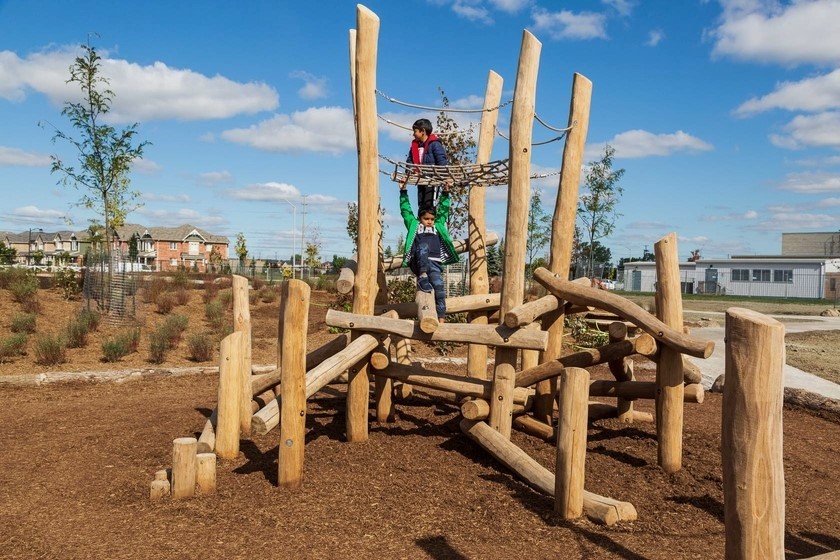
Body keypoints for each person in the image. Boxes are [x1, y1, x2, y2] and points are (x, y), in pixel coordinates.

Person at [399, 182, 459, 322]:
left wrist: (445, 192)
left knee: (439, 288)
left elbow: (444, 210)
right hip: (419, 262)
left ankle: (441, 317)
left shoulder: (438, 226)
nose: (429, 221)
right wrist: (403, 191)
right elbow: (406, 211)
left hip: (435, 264)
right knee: (423, 246)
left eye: (432, 219)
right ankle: (423, 276)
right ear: (420, 218)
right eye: (426, 219)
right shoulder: (415, 226)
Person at [404, 118, 449, 210]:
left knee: (429, 204)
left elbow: (441, 161)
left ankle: (429, 222)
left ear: (423, 131)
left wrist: (444, 176)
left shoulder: (434, 144)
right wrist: (409, 172)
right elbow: (410, 161)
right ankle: (422, 221)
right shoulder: (415, 146)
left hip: (432, 179)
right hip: (420, 179)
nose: (413, 134)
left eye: (415, 131)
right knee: (421, 204)